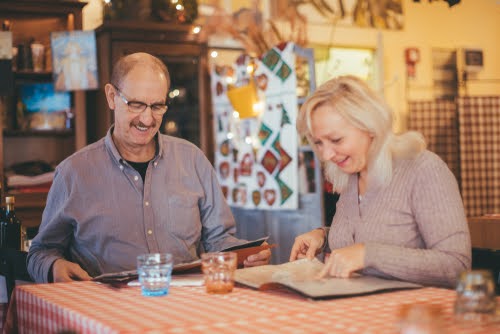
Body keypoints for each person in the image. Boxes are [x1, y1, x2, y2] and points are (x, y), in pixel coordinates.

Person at [28, 52, 271, 283]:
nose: (147, 119)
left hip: (189, 304)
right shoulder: (74, 173)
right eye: (136, 104)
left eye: (157, 106)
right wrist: (54, 267)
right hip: (108, 310)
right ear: (111, 97)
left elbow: (219, 240)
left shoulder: (193, 159)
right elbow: (40, 252)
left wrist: (245, 256)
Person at [289, 75, 470, 288]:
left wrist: (370, 254)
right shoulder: (350, 175)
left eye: (336, 140)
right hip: (358, 312)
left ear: (370, 127)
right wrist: (322, 236)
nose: (326, 154)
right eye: (318, 143)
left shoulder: (423, 169)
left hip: (414, 316)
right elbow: (371, 231)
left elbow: (457, 266)